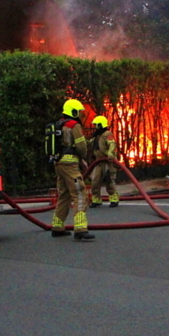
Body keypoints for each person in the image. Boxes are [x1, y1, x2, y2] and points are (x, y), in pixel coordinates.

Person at [51, 98, 95, 240]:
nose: (81, 115)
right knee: (80, 193)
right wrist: (83, 156)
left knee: (64, 195)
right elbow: (81, 146)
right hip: (70, 166)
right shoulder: (74, 125)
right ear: (73, 111)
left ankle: (57, 227)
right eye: (79, 112)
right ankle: (80, 229)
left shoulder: (59, 124)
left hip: (59, 164)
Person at [87, 116, 120, 208]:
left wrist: (110, 154)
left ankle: (114, 199)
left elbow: (112, 144)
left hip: (107, 162)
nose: (95, 127)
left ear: (100, 124)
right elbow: (90, 144)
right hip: (98, 162)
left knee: (109, 181)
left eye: (96, 125)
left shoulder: (107, 133)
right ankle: (96, 200)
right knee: (95, 181)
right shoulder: (96, 136)